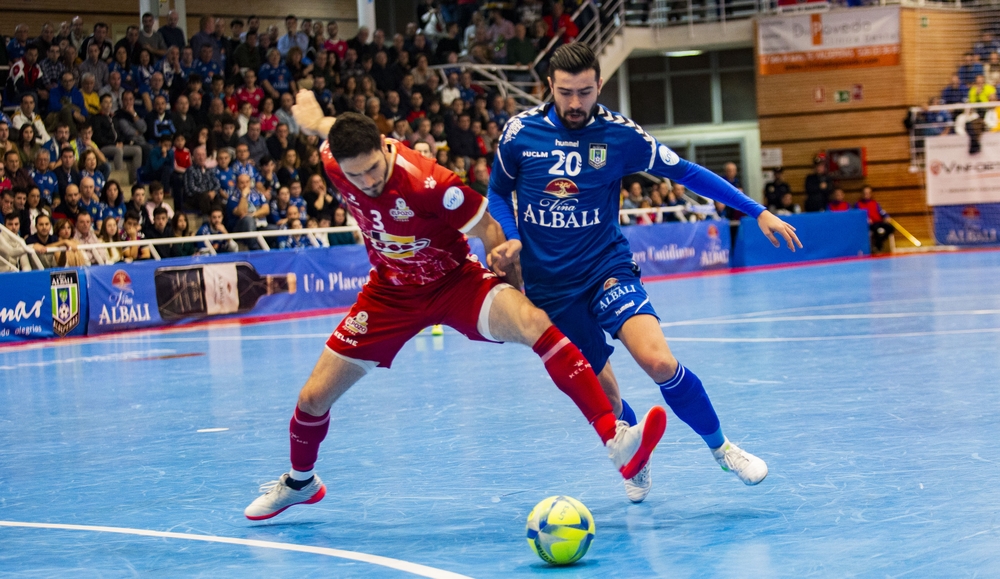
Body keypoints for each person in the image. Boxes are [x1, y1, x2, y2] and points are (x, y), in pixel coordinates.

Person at [242, 104, 666, 521]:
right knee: (313, 398)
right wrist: (315, 120)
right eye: (356, 175)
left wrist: (512, 282)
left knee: (536, 323)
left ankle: (616, 440)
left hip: (455, 282)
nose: (367, 182)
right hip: (391, 293)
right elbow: (326, 131)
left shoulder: (431, 183)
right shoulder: (335, 160)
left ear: (384, 149)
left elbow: (489, 229)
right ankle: (301, 484)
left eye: (373, 169)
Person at [487, 44, 802, 503]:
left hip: (605, 267)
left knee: (657, 361)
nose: (576, 104)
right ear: (549, 87)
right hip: (549, 286)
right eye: (566, 93)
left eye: (586, 92)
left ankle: (723, 449)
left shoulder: (620, 135)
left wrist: (757, 211)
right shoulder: (520, 134)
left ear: (600, 85)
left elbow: (688, 172)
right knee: (607, 400)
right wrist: (511, 235)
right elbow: (498, 192)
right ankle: (634, 458)